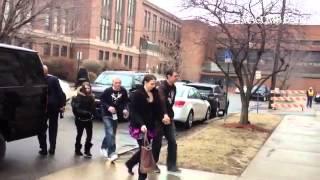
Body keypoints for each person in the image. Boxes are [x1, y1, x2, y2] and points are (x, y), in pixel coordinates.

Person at [125, 74, 162, 180]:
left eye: (155, 84)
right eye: (152, 84)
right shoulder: (137, 94)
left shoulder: (155, 93)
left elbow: (158, 109)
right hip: (139, 126)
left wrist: (163, 116)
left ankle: (130, 163)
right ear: (145, 83)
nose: (154, 86)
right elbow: (134, 112)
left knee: (144, 150)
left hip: (150, 126)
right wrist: (141, 124)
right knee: (144, 151)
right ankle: (142, 176)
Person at [152, 69, 181, 172]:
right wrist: (164, 114)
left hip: (169, 118)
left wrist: (169, 115)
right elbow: (162, 101)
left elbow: (170, 103)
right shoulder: (162, 88)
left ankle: (172, 165)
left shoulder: (174, 87)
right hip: (160, 119)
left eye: (177, 76)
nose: (177, 78)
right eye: (175, 76)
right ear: (168, 76)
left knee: (172, 141)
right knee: (157, 142)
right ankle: (153, 164)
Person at [38, 65, 66, 155]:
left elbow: (60, 93)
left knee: (44, 129)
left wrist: (62, 105)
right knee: (50, 129)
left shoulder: (51, 79)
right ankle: (49, 148)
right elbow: (60, 93)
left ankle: (47, 148)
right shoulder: (51, 79)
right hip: (48, 108)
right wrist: (62, 105)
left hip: (49, 108)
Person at [100, 78, 129, 161]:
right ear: (112, 83)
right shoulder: (107, 91)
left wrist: (125, 109)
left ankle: (103, 147)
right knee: (110, 132)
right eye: (116, 83)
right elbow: (102, 100)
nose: (118, 84)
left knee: (112, 133)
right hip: (106, 114)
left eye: (119, 83)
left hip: (116, 115)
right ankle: (111, 153)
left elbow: (126, 101)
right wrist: (108, 107)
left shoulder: (123, 91)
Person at [71, 82, 95, 158]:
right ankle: (77, 149)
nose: (88, 90)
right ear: (82, 88)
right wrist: (86, 113)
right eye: (86, 88)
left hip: (88, 119)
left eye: (89, 88)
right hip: (80, 119)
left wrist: (92, 113)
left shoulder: (91, 97)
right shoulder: (77, 97)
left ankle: (87, 150)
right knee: (79, 134)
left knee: (89, 135)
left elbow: (93, 108)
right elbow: (76, 109)